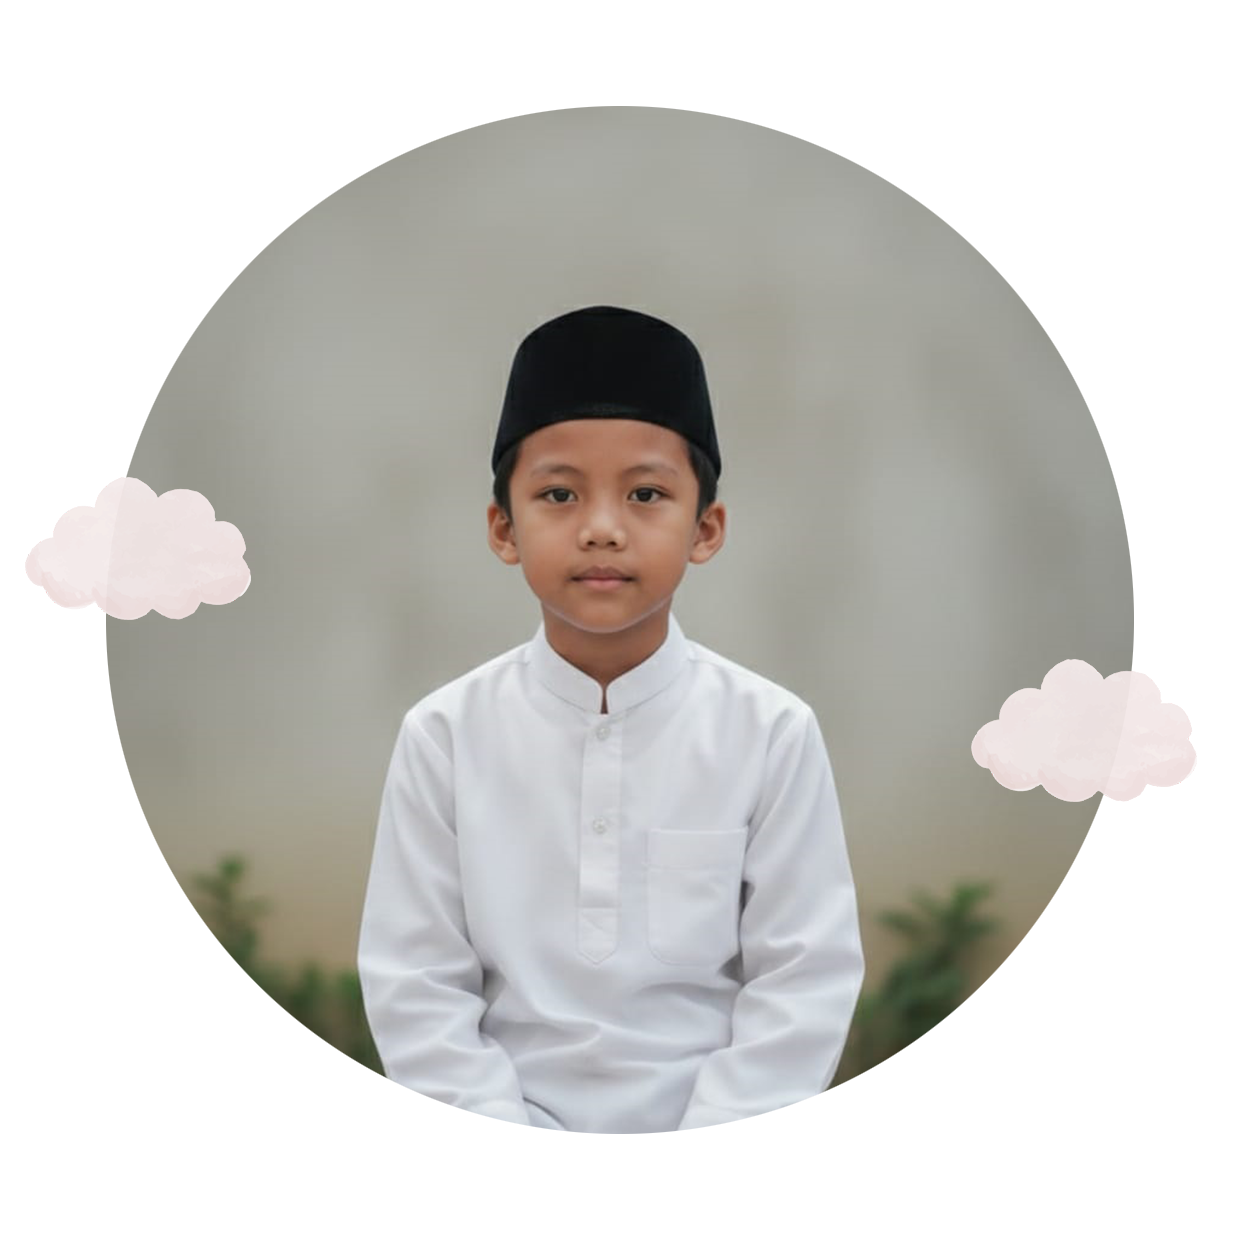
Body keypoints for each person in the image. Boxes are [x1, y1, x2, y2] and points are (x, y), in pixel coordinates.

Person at [357, 305, 864, 1134]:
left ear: (706, 529)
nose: (600, 528)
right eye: (558, 494)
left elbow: (803, 979)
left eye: (646, 494)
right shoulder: (444, 737)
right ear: (503, 528)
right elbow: (415, 983)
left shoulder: (770, 732)